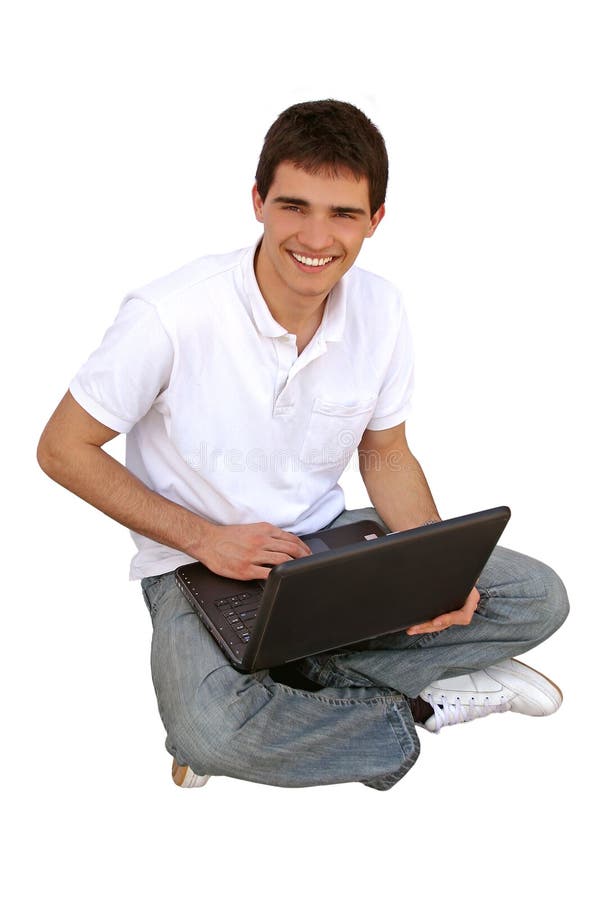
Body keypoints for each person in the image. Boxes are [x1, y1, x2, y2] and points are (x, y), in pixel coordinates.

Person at [37, 99, 569, 791]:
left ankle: (293, 686)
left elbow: (384, 452)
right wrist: (205, 537)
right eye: (294, 206)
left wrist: (437, 570)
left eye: (344, 213)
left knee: (535, 596)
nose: (316, 236)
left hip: (327, 546)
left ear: (375, 220)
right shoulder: (170, 315)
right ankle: (416, 703)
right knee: (207, 731)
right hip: (197, 568)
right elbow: (62, 447)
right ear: (258, 202)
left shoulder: (382, 309)